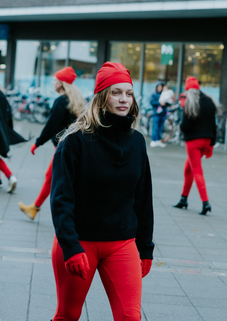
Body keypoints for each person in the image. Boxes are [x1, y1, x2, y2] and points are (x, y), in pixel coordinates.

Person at [50, 61, 155, 320]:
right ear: (101, 96)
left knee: (130, 317)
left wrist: (146, 247)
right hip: (79, 241)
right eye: (116, 92)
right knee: (68, 315)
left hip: (122, 243)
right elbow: (61, 199)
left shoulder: (137, 142)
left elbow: (143, 198)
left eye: (129, 93)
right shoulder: (74, 141)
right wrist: (70, 246)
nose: (124, 99)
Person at [18, 66, 85, 220]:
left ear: (61, 83)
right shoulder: (75, 100)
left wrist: (37, 143)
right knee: (53, 176)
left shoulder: (61, 101)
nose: (53, 83)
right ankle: (35, 208)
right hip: (73, 146)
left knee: (54, 178)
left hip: (64, 147)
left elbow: (51, 126)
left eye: (55, 80)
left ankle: (42, 209)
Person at [172, 76, 217, 215]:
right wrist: (211, 145)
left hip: (193, 143)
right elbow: (214, 125)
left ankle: (205, 202)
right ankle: (183, 199)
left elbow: (184, 127)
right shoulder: (209, 101)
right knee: (188, 169)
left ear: (188, 89)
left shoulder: (189, 103)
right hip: (206, 141)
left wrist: (182, 110)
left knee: (197, 171)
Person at [149, 81, 167, 148]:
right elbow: (151, 102)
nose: (160, 88)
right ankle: (153, 140)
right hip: (156, 114)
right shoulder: (154, 94)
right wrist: (160, 103)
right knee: (155, 127)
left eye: (161, 87)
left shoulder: (164, 94)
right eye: (159, 87)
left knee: (160, 128)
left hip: (163, 114)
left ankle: (158, 140)